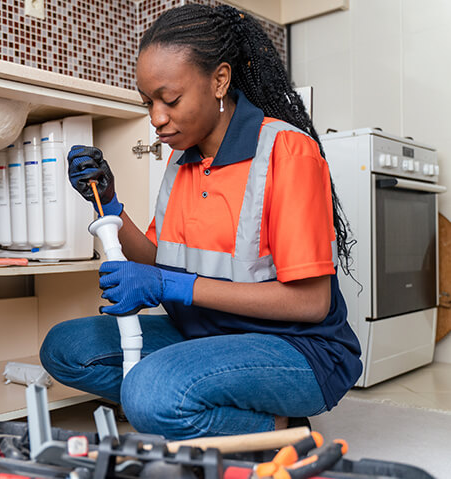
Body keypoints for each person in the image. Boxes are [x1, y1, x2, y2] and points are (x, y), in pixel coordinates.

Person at [39, 3, 362, 439]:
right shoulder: (182, 158)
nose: (156, 117)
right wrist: (108, 204)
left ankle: (280, 428)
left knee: (150, 396)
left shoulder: (286, 151)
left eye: (169, 100)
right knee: (66, 349)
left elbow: (310, 303)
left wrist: (171, 287)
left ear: (219, 81)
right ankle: (205, 393)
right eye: (147, 102)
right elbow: (160, 257)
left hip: (297, 348)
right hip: (204, 335)